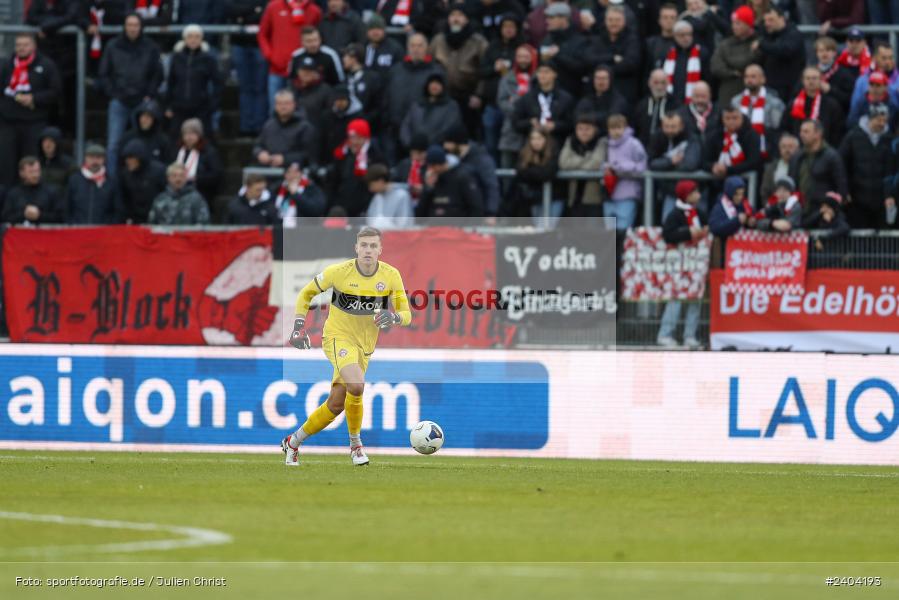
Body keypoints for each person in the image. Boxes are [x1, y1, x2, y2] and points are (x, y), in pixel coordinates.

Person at [283, 226, 412, 466]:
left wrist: (393, 317)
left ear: (380, 250)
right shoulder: (339, 272)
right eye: (364, 245)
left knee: (335, 404)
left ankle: (293, 442)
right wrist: (298, 326)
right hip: (336, 337)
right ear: (356, 248)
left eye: (373, 246)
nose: (368, 250)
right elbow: (306, 293)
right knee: (357, 385)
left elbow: (407, 314)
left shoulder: (391, 275)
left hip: (364, 347)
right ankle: (356, 446)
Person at [99, 13, 163, 180]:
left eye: (136, 25)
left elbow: (157, 74)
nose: (132, 28)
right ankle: (112, 182)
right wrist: (113, 93)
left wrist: (149, 95)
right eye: (129, 25)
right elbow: (104, 73)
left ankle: (143, 179)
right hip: (119, 101)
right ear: (124, 26)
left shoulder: (151, 47)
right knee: (113, 145)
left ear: (141, 27)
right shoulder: (113, 46)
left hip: (142, 103)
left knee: (144, 142)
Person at [0, 33, 61, 187]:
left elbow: (55, 92)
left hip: (34, 123)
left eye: (25, 44)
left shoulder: (46, 65)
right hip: (8, 123)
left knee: (31, 162)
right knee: (6, 163)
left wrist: (34, 99)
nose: (21, 48)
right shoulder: (6, 65)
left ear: (33, 46)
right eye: (18, 45)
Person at [657, 179, 707, 349]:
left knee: (695, 299)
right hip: (679, 265)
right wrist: (687, 233)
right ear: (686, 196)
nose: (698, 195)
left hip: (696, 265)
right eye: (694, 192)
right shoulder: (675, 214)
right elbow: (668, 234)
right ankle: (665, 334)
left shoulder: (699, 212)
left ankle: (690, 335)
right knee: (676, 298)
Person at [381, 33, 445, 160]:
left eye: (420, 46)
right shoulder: (396, 70)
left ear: (426, 48)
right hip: (394, 129)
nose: (416, 49)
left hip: (422, 135)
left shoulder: (436, 72)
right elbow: (386, 97)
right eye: (412, 45)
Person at [429, 5, 489, 137]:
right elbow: (430, 67)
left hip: (468, 96)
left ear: (466, 19)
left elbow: (484, 71)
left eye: (460, 15)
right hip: (444, 96)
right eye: (453, 15)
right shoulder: (438, 40)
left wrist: (479, 95)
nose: (456, 19)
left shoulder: (478, 42)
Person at [478, 12, 525, 161]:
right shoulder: (492, 46)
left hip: (513, 105)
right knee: (490, 144)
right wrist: (494, 68)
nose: (508, 29)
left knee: (512, 146)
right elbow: (481, 71)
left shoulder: (522, 48)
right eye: (505, 26)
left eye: (512, 26)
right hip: (492, 104)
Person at [839, 103, 893, 229]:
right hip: (857, 200)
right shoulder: (853, 136)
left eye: (884, 120)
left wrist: (889, 195)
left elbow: (891, 170)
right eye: (878, 120)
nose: (882, 124)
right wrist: (845, 190)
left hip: (881, 202)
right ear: (870, 118)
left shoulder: (889, 139)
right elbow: (841, 164)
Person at [258, 0, 322, 106]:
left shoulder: (314, 11)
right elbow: (262, 34)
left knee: (300, 110)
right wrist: (270, 55)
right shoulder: (273, 7)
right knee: (275, 110)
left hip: (301, 73)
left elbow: (319, 37)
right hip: (277, 70)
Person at [163, 24, 223, 137]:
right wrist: (168, 105)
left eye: (197, 36)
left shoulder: (208, 59)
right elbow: (171, 82)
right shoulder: (176, 58)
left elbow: (218, 83)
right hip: (179, 107)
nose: (193, 40)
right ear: (184, 39)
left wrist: (213, 105)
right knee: (175, 139)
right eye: (190, 36)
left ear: (201, 39)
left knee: (204, 139)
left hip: (201, 108)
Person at [225, 0, 269, 136]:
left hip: (259, 44)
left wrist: (242, 16)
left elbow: (265, 13)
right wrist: (253, 10)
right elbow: (230, 9)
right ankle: (246, 126)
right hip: (239, 43)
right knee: (245, 88)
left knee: (260, 88)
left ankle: (259, 126)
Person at [649, 111, 702, 220]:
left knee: (695, 226)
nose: (669, 130)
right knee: (667, 222)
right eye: (666, 126)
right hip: (670, 191)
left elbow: (690, 165)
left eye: (673, 127)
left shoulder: (691, 137)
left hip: (692, 192)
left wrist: (663, 166)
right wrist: (670, 162)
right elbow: (651, 163)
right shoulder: (658, 137)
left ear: (681, 126)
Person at [328, 118, 385, 216]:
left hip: (365, 210)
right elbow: (334, 182)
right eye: (351, 137)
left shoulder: (375, 155)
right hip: (343, 207)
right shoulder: (342, 154)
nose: (354, 142)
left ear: (366, 138)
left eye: (358, 138)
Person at [512, 60, 574, 148]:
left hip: (557, 144)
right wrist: (530, 122)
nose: (542, 75)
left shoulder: (565, 98)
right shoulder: (527, 97)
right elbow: (515, 123)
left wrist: (556, 126)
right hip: (532, 146)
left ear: (555, 74)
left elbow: (572, 123)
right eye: (540, 72)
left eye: (546, 72)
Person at [443, 124, 501, 217]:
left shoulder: (481, 160)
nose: (445, 146)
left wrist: (491, 212)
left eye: (448, 143)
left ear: (459, 143)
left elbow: (491, 186)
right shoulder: (452, 159)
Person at [587, 6, 641, 103]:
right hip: (597, 94)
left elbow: (630, 64)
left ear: (624, 21)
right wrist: (612, 58)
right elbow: (589, 60)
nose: (613, 23)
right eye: (610, 20)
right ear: (605, 21)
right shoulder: (597, 39)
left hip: (624, 91)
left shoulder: (632, 39)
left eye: (617, 20)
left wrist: (603, 68)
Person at [602, 113, 646, 231]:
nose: (616, 131)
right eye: (612, 128)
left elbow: (643, 165)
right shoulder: (605, 144)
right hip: (609, 194)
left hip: (628, 193)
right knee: (609, 231)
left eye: (619, 127)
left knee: (623, 229)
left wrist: (620, 168)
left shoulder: (634, 144)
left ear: (626, 127)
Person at [509, 128, 561, 225]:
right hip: (533, 199)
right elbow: (519, 171)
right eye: (533, 138)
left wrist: (530, 171)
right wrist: (538, 171)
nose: (536, 142)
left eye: (539, 138)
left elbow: (547, 173)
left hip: (553, 197)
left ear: (546, 139)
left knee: (547, 228)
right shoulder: (525, 153)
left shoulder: (554, 151)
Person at [731, 64, 784, 159]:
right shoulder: (736, 101)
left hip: (767, 150)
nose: (749, 80)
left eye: (753, 76)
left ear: (763, 79)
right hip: (740, 149)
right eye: (746, 77)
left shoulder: (774, 102)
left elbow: (777, 127)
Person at [709, 6, 761, 104]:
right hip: (727, 93)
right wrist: (732, 73)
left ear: (748, 24)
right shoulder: (726, 43)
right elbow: (715, 67)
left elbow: (742, 62)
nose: (734, 27)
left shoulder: (758, 42)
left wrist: (729, 63)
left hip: (750, 94)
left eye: (738, 23)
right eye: (733, 23)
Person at [416, 145, 485, 219]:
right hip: (434, 227)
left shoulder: (462, 176)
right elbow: (420, 215)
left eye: (432, 166)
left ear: (440, 164)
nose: (430, 170)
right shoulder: (430, 179)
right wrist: (428, 188)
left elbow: (476, 207)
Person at [789, 119, 847, 205]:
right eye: (801, 131)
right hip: (799, 210)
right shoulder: (797, 157)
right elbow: (791, 183)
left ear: (818, 134)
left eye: (806, 132)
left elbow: (841, 187)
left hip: (823, 211)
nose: (801, 135)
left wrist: (832, 208)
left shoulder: (831, 156)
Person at [558, 113, 606, 218]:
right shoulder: (570, 141)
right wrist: (587, 158)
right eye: (580, 129)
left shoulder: (601, 142)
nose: (584, 132)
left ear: (595, 129)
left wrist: (575, 163)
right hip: (573, 198)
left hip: (593, 200)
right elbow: (564, 163)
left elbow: (595, 164)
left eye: (587, 129)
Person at [399, 72, 465, 149]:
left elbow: (449, 128)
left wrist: (430, 145)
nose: (434, 86)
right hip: (414, 150)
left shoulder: (451, 106)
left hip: (437, 150)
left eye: (438, 84)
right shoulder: (417, 105)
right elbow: (406, 126)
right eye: (432, 83)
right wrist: (411, 144)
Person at [497, 44, 537, 167]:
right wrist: (518, 111)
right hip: (510, 130)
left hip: (533, 132)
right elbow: (502, 101)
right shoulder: (507, 78)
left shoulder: (538, 78)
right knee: (507, 169)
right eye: (519, 56)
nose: (523, 60)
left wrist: (515, 102)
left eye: (526, 56)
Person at [782, 67, 844, 146]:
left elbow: (837, 132)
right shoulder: (793, 104)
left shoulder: (831, 105)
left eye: (814, 78)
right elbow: (784, 128)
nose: (811, 81)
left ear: (821, 80)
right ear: (802, 81)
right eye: (807, 78)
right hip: (798, 152)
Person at [254, 89, 315, 168]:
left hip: (295, 173)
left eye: (286, 103)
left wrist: (285, 159)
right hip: (269, 171)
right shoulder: (268, 125)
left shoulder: (305, 127)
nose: (283, 107)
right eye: (279, 103)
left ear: (294, 104)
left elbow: (309, 154)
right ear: (275, 106)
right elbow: (258, 146)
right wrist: (260, 153)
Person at [538, 3, 588, 98]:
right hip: (547, 95)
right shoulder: (547, 39)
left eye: (552, 18)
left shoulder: (579, 41)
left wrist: (558, 55)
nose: (547, 21)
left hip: (572, 94)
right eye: (547, 18)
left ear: (564, 19)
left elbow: (582, 68)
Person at [755, 6, 804, 104]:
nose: (767, 24)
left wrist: (762, 45)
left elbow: (786, 50)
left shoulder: (793, 34)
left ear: (782, 19)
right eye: (765, 21)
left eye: (771, 20)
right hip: (770, 87)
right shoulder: (766, 35)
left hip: (789, 88)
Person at [170, 118, 223, 206]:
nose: (189, 137)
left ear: (199, 135)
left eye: (192, 133)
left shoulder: (209, 152)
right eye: (186, 133)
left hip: (201, 194)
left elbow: (216, 175)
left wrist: (196, 178)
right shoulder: (177, 151)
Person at [703, 106, 762, 182]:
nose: (731, 121)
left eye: (735, 118)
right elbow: (705, 161)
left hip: (744, 181)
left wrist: (728, 170)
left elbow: (753, 162)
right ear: (722, 119)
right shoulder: (715, 135)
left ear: (742, 119)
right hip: (717, 180)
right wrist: (713, 167)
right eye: (727, 118)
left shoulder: (751, 135)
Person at [1, 156, 64, 224]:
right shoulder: (14, 194)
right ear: (22, 173)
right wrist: (24, 214)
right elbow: (5, 218)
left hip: (45, 233)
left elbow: (60, 217)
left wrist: (40, 215)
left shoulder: (52, 192)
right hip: (20, 233)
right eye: (31, 172)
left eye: (37, 171)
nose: (35, 175)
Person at [65, 143, 117, 225]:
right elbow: (67, 208)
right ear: (85, 158)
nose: (95, 161)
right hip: (77, 232)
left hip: (103, 233)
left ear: (104, 160)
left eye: (99, 158)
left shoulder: (111, 182)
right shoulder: (75, 180)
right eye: (91, 157)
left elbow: (116, 211)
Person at [662, 20, 709, 106]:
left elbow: (707, 78)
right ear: (675, 36)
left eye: (689, 34)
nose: (686, 38)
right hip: (672, 101)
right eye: (682, 35)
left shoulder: (701, 53)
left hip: (694, 102)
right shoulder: (667, 53)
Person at [119, 139, 167, 223]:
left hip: (157, 218)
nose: (128, 161)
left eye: (131, 158)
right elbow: (125, 199)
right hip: (135, 221)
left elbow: (166, 194)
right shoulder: (125, 174)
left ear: (140, 157)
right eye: (126, 158)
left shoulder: (159, 171)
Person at [575, 65, 630, 139]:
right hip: (588, 139)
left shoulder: (618, 100)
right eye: (598, 78)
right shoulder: (587, 99)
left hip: (609, 139)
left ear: (610, 80)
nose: (601, 81)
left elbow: (612, 118)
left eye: (604, 78)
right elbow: (577, 116)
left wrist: (589, 118)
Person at [634, 69, 678, 148]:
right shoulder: (641, 105)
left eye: (663, 83)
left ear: (668, 84)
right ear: (649, 83)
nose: (659, 87)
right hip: (642, 147)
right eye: (656, 82)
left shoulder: (676, 105)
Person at [118, 99, 169, 166]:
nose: (145, 119)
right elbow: (121, 163)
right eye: (143, 116)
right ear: (138, 117)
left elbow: (166, 163)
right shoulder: (128, 137)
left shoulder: (162, 140)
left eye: (149, 116)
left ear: (154, 120)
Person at [814, 36, 856, 114]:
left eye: (828, 50)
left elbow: (850, 99)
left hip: (836, 116)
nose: (824, 53)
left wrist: (830, 90)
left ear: (834, 53)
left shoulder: (844, 73)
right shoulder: (810, 72)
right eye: (821, 50)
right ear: (816, 53)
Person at [365, 163, 414, 229]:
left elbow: (405, 224)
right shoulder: (377, 197)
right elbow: (370, 219)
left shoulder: (402, 196)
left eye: (372, 185)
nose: (370, 189)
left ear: (380, 181)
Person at [342, 44, 380, 125]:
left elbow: (378, 105)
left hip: (368, 127)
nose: (343, 59)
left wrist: (365, 120)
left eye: (346, 56)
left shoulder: (372, 78)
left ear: (354, 58)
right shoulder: (346, 79)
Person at [292, 54, 333, 128]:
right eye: (304, 70)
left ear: (316, 73)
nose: (306, 73)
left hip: (316, 132)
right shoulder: (291, 89)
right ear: (298, 71)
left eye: (310, 70)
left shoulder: (325, 90)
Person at [708, 176, 751, 243]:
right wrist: (736, 221)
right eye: (736, 194)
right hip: (724, 246)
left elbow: (752, 215)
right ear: (730, 192)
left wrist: (750, 221)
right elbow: (715, 228)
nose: (740, 197)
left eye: (742, 194)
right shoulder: (720, 208)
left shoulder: (744, 205)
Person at [760, 132, 799, 199]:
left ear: (797, 149)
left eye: (790, 146)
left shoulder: (802, 166)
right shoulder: (771, 167)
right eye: (784, 146)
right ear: (779, 148)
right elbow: (765, 191)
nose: (787, 150)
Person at [391, 133, 428, 201]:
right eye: (413, 153)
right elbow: (395, 180)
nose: (415, 157)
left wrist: (424, 189)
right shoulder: (405, 164)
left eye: (419, 153)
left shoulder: (430, 165)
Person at [37, 126, 75, 191]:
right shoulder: (36, 162)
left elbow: (73, 187)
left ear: (57, 143)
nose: (47, 144)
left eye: (51, 141)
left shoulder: (68, 164)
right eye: (45, 141)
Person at [645, 3, 678, 76]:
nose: (669, 21)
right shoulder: (650, 44)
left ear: (677, 20)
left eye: (672, 17)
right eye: (665, 17)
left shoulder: (682, 45)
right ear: (659, 20)